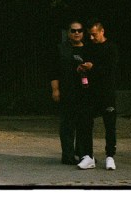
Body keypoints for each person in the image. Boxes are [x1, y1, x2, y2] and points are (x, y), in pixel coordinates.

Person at [77, 20, 120, 171]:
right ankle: (88, 156)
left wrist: (93, 67)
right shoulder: (88, 48)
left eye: (94, 34)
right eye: (89, 35)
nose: (91, 38)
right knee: (85, 122)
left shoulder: (111, 48)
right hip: (90, 91)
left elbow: (110, 69)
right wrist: (82, 68)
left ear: (102, 31)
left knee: (110, 125)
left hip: (107, 92)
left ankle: (110, 156)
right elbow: (85, 65)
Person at [50, 19, 88, 164]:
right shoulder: (61, 49)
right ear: (68, 33)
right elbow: (54, 71)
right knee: (67, 124)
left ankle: (83, 153)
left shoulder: (88, 49)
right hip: (67, 91)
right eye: (73, 30)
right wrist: (55, 90)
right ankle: (68, 155)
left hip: (85, 91)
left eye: (79, 30)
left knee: (84, 124)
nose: (76, 33)